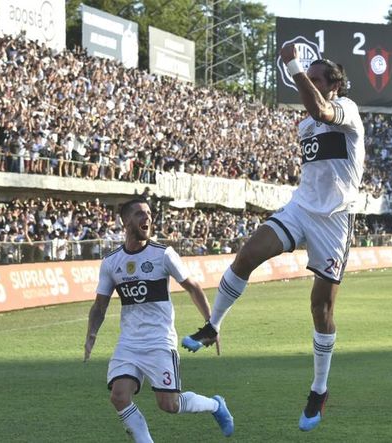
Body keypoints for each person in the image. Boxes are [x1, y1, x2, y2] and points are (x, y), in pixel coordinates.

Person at [182, 44, 365, 432]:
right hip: (300, 209)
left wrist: (293, 64)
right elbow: (312, 119)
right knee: (247, 254)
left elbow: (321, 110)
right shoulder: (304, 127)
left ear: (334, 85)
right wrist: (300, 73)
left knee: (321, 309)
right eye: (307, 79)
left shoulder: (346, 111)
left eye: (316, 80)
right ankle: (213, 325)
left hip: (334, 220)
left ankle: (319, 389)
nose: (308, 85)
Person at [83, 198, 234, 442]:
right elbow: (100, 305)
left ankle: (215, 405)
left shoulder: (163, 255)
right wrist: (91, 335)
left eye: (149, 214)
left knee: (170, 404)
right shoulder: (111, 262)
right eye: (140, 214)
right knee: (119, 397)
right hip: (129, 343)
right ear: (125, 221)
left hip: (159, 341)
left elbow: (193, 287)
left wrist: (211, 325)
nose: (147, 218)